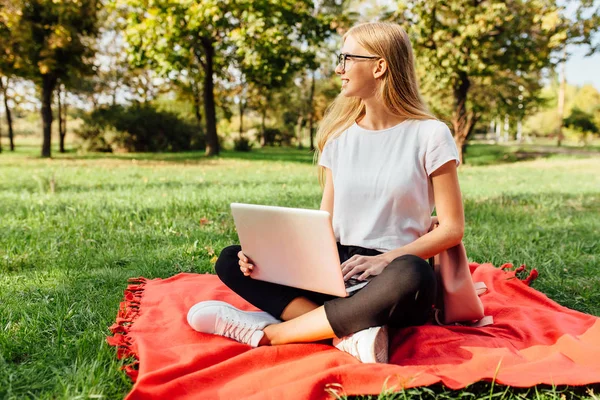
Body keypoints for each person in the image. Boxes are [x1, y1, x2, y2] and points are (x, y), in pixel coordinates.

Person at [187, 22, 465, 364]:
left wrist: (384, 260)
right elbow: (326, 223)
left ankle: (273, 334)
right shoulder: (339, 137)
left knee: (413, 273)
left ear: (379, 66)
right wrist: (275, 258)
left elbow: (452, 229)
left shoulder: (431, 135)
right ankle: (346, 334)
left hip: (392, 273)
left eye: (346, 58)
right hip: (337, 270)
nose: (339, 68)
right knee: (233, 259)